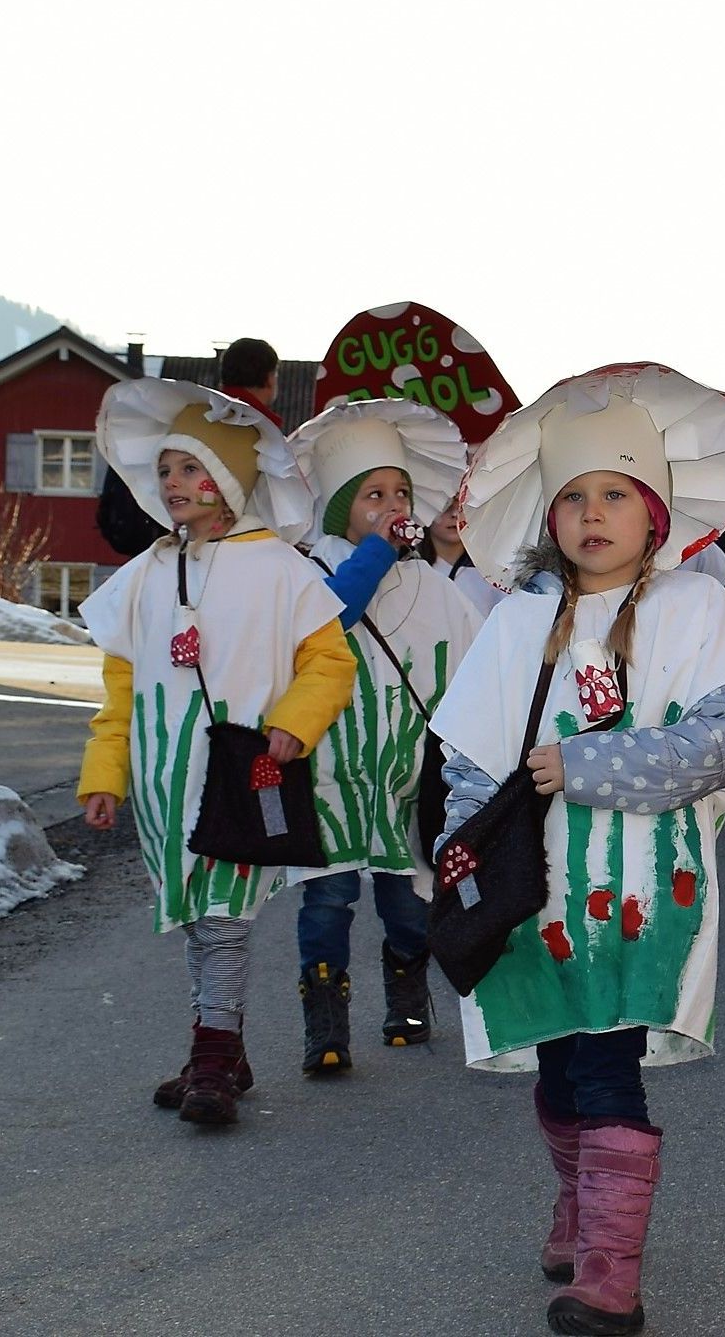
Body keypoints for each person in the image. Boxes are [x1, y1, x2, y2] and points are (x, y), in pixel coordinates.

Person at [429, 363, 725, 1336]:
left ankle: (612, 1273)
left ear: (654, 513)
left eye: (614, 492)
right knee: (558, 1066)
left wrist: (583, 762)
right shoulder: (519, 621)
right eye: (572, 495)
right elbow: (468, 757)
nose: (591, 512)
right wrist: (460, 860)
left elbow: (712, 744)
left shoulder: (698, 614)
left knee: (607, 1062)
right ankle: (579, 1204)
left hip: (641, 893)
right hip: (533, 890)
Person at [74, 379, 356, 1126]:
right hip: (167, 785)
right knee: (200, 918)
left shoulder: (279, 569)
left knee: (226, 916)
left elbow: (330, 661)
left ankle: (210, 1060)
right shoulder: (146, 575)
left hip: (241, 773)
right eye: (164, 471)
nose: (173, 485)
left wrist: (294, 723)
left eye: (190, 469)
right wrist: (105, 773)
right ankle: (222, 1051)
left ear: (229, 480)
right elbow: (121, 686)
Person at [285, 399, 483, 1071]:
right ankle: (325, 1018)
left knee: (406, 898)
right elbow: (330, 619)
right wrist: (372, 554)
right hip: (328, 777)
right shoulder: (307, 580)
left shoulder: (432, 588)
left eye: (401, 491)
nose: (392, 503)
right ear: (342, 510)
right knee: (329, 897)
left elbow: (477, 667)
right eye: (373, 494)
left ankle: (406, 986)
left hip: (407, 780)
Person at [421, 493, 508, 622]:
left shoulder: (494, 572)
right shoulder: (416, 573)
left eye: (461, 504)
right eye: (445, 505)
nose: (455, 514)